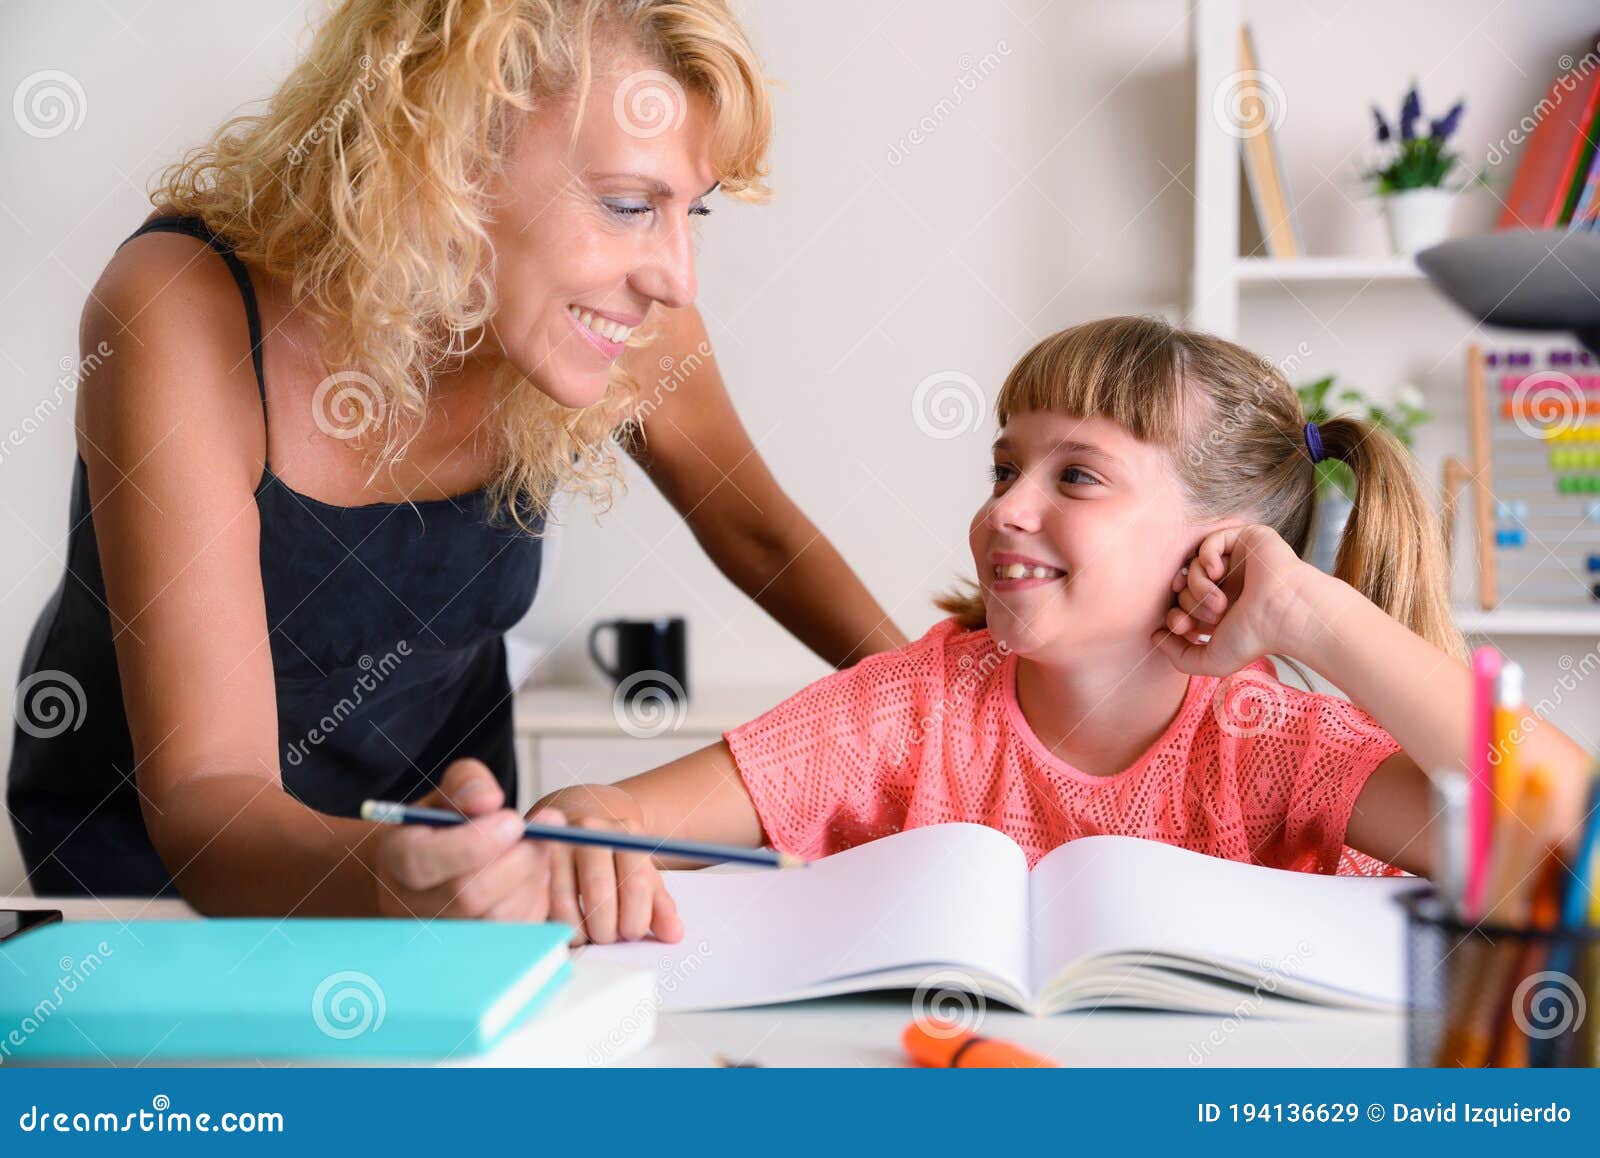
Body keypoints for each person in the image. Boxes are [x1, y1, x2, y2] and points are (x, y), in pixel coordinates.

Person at [7, 0, 904, 909]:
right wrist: (396, 876)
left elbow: (758, 537)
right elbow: (207, 804)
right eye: (630, 206)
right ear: (449, 154)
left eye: (691, 211)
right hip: (152, 893)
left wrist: (958, 712)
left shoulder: (627, 317)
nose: (677, 276)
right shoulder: (181, 311)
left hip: (458, 856)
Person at [523, 315, 1592, 945]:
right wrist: (581, 817)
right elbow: (609, 815)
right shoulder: (908, 707)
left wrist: (1314, 609)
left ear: (1218, 548)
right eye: (1003, 468)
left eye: (1074, 474)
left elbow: (1566, 832)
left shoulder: (1276, 747)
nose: (1004, 510)